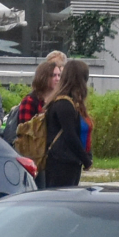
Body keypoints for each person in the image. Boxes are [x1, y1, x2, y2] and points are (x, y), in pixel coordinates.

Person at [40, 59, 94, 189]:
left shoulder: (71, 103)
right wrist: (85, 159)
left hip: (71, 161)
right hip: (61, 161)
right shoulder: (64, 104)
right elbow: (71, 135)